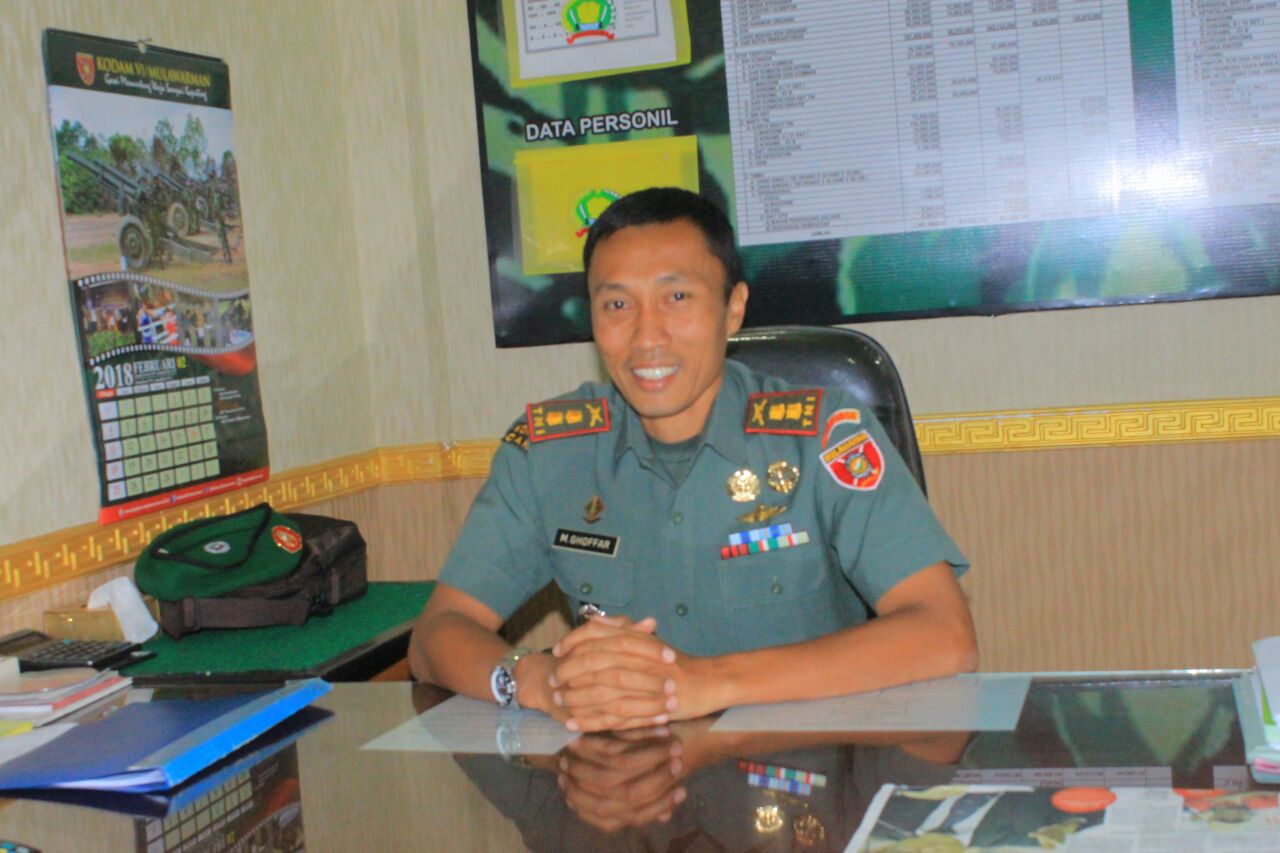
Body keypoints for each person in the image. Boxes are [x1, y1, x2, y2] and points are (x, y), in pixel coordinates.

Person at [409, 187, 977, 733]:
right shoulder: (548, 452)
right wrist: (537, 680)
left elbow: (943, 633)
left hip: (805, 772)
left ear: (733, 309)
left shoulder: (823, 436)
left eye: (677, 298)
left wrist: (707, 683)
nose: (646, 337)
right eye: (617, 304)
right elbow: (437, 635)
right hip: (623, 778)